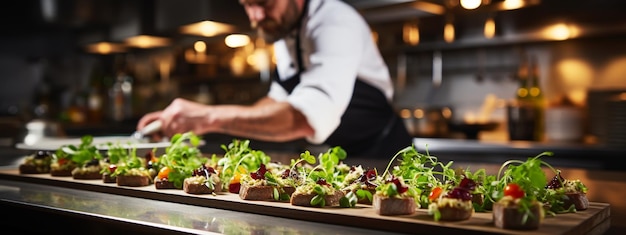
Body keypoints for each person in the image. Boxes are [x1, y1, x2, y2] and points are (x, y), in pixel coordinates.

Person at [136, 0, 412, 158]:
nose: (256, 16)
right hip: (338, 158)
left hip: (385, 157)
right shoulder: (284, 31)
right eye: (248, 5)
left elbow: (307, 116)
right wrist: (193, 123)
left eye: (265, 3)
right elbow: (277, 100)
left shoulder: (334, 21)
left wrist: (209, 117)